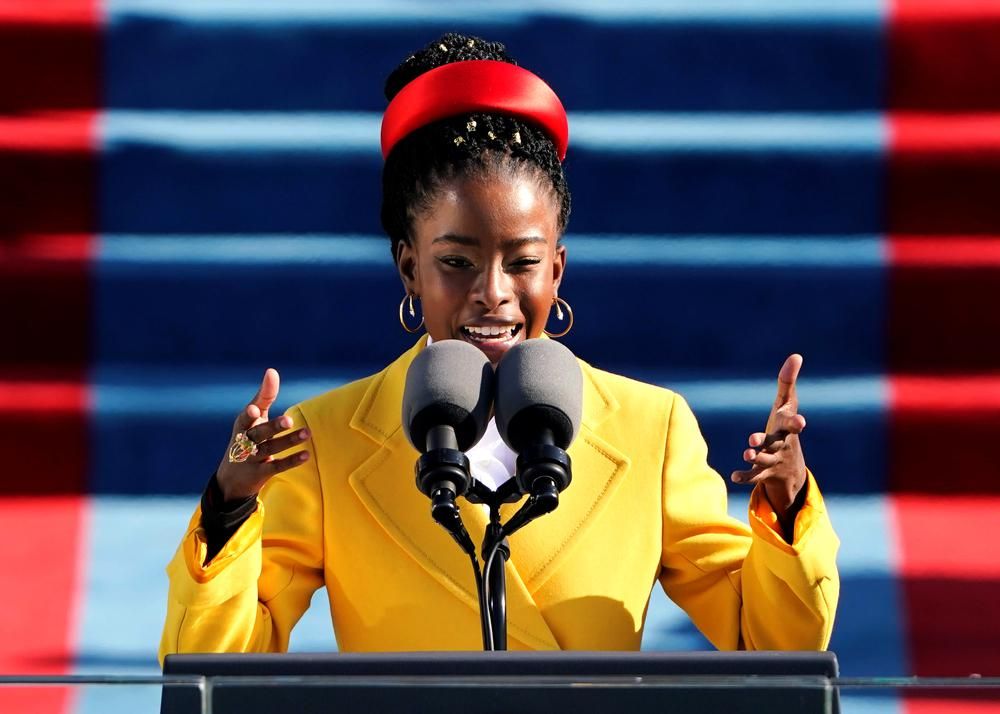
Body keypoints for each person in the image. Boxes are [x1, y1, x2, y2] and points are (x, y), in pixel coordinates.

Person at [159, 33, 839, 660]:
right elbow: (214, 672)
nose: (493, 293)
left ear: (557, 271)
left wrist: (787, 506)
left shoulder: (650, 429)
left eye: (523, 262)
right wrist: (229, 504)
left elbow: (772, 644)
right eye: (456, 262)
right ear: (409, 269)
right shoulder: (326, 440)